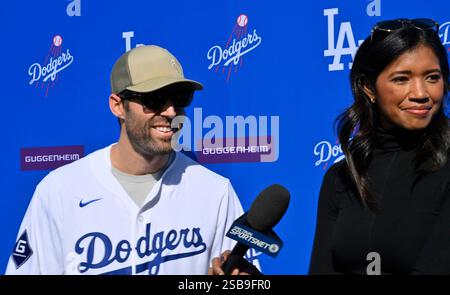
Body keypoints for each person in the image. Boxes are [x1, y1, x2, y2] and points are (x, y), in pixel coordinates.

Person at [6, 45, 252, 275]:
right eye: (154, 98)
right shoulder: (59, 190)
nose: (170, 111)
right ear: (117, 106)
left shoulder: (215, 192)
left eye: (179, 98)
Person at [309, 18, 450, 274]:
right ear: (368, 87)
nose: (420, 92)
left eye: (432, 77)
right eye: (401, 79)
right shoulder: (341, 178)